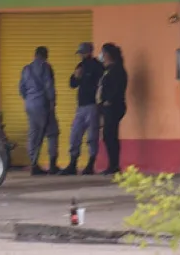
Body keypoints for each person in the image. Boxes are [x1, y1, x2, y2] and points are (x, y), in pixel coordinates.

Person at [60, 42, 104, 176]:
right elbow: (72, 84)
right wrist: (76, 76)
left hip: (92, 105)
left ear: (88, 52)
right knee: (75, 134)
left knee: (92, 136)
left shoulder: (97, 66)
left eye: (82, 53)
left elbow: (102, 84)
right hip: (81, 106)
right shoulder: (80, 66)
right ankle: (72, 163)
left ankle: (90, 164)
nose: (81, 55)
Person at [19, 46, 60, 176]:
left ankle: (34, 164)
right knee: (52, 133)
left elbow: (21, 89)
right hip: (43, 104)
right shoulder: (45, 67)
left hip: (30, 105)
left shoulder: (26, 69)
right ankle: (52, 165)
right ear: (45, 55)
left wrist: (30, 99)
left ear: (35, 55)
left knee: (34, 134)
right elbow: (49, 86)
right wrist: (52, 101)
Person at [97, 43, 128, 176]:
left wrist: (109, 100)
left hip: (113, 107)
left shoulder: (117, 70)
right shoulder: (108, 69)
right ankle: (112, 164)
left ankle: (114, 165)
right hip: (106, 106)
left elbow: (117, 88)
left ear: (108, 54)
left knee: (110, 135)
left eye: (103, 53)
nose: (101, 56)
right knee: (108, 135)